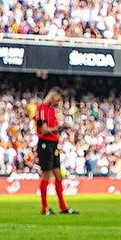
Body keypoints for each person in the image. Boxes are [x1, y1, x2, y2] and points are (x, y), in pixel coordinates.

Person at [36, 88, 78, 216]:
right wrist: (59, 127)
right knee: (46, 174)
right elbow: (43, 130)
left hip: (53, 145)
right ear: (52, 96)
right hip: (45, 144)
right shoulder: (41, 109)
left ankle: (63, 207)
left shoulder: (52, 110)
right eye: (57, 99)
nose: (57, 103)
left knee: (59, 175)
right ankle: (44, 208)